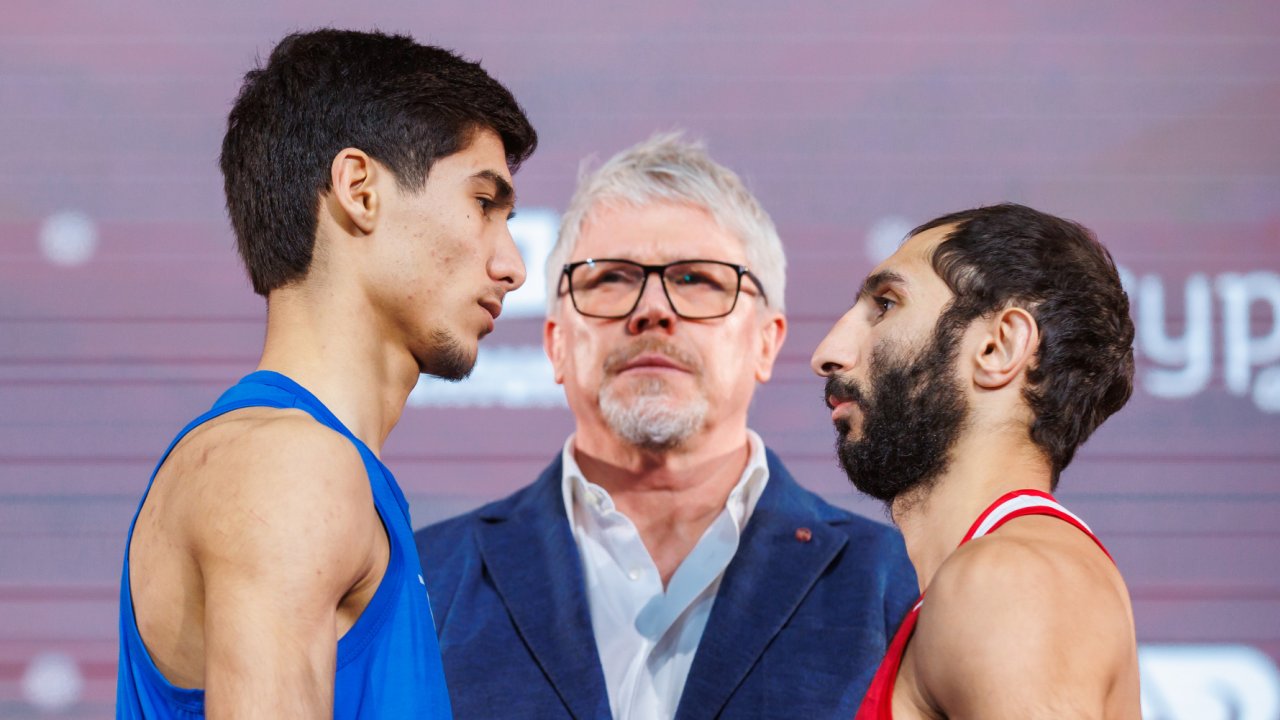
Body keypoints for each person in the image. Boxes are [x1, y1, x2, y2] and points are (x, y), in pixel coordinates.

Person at [415, 133, 918, 720]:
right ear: (556, 345)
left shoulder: (898, 582)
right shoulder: (424, 580)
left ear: (766, 342)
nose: (651, 309)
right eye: (610, 279)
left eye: (696, 279)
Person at [116, 29, 536, 718]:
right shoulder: (290, 468)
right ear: (359, 190)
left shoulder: (305, 465)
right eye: (484, 204)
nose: (512, 266)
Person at [810, 203, 1142, 718]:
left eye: (886, 305)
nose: (827, 353)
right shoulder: (990, 578)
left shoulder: (1011, 580)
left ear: (998, 347)